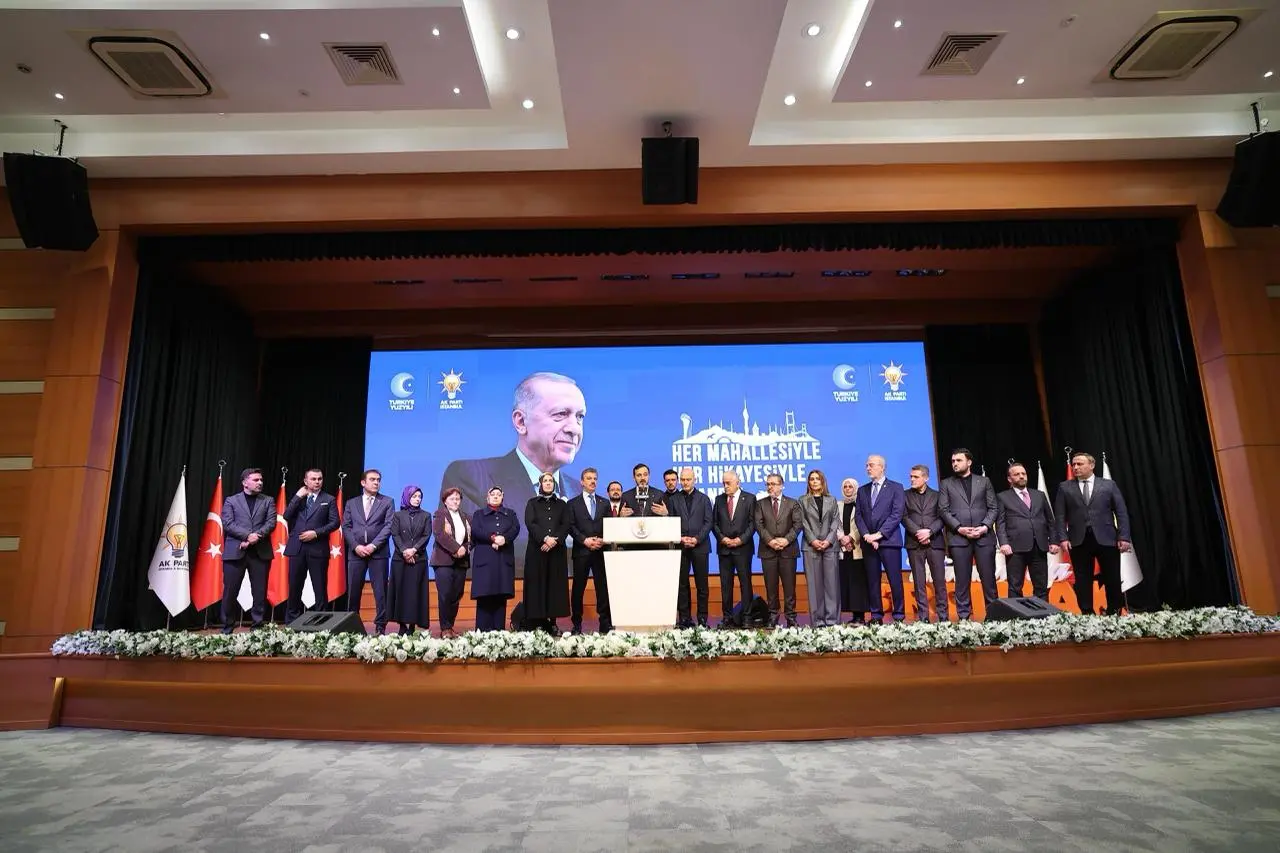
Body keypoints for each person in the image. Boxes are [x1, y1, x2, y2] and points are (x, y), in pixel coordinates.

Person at [438, 372, 585, 514]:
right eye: (561, 414)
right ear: (521, 422)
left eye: (579, 417)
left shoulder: (581, 493)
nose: (574, 428)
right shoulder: (471, 478)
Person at [1055, 452, 1132, 615]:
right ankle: (1087, 613)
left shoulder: (1108, 485)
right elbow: (1060, 516)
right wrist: (1062, 538)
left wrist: (1124, 536)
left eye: (1080, 464)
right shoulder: (1065, 487)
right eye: (1074, 464)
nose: (1075, 467)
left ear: (1091, 465)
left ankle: (1114, 611)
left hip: (1107, 537)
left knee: (1112, 576)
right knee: (1082, 579)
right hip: (1078, 539)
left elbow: (1121, 512)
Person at [938, 448, 998, 618]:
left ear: (969, 462)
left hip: (984, 537)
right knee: (962, 580)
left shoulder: (984, 481)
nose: (955, 464)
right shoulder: (946, 484)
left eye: (958, 460)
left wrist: (985, 526)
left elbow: (993, 507)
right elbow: (943, 510)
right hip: (959, 538)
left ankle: (993, 617)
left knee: (989, 579)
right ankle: (964, 617)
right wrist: (959, 528)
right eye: (953, 461)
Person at [220, 467, 276, 633]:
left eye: (261, 480)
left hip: (260, 553)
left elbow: (271, 523)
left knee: (259, 592)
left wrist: (256, 537)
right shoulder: (231, 500)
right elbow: (228, 523)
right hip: (235, 552)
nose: (260, 483)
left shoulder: (268, 500)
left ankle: (257, 628)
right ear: (245, 483)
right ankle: (227, 628)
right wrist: (247, 536)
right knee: (230, 592)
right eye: (256, 480)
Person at [283, 467, 340, 624]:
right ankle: (291, 622)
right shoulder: (299, 498)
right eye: (313, 479)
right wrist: (297, 497)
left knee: (320, 587)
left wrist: (316, 533)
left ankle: (322, 623)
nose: (317, 482)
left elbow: (335, 522)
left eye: (319, 479)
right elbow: (287, 515)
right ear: (305, 481)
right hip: (297, 548)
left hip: (318, 548)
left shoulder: (328, 499)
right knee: (294, 587)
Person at [997, 462, 1060, 602]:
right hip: (1015, 548)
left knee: (1041, 585)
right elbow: (1000, 523)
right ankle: (1016, 614)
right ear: (1009, 479)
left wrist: (1054, 541)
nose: (1021, 476)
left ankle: (1043, 614)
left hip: (1039, 546)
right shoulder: (1003, 497)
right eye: (1017, 474)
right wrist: (1003, 543)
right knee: (1015, 586)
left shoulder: (1039, 495)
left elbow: (1050, 520)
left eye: (1023, 474)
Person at [342, 469, 395, 635]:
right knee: (353, 591)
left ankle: (380, 627)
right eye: (372, 479)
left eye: (378, 480)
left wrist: (373, 546)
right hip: (356, 553)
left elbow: (389, 526)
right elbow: (346, 526)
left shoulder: (387, 501)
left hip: (378, 553)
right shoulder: (351, 503)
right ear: (363, 483)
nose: (376, 482)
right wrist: (356, 546)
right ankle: (352, 626)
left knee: (381, 592)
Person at [856, 455, 906, 623]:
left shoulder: (896, 488)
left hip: (889, 541)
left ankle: (899, 615)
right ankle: (876, 615)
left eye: (871, 465)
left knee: (895, 579)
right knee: (872, 581)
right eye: (866, 465)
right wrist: (867, 535)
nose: (868, 468)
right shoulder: (862, 490)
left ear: (882, 467)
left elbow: (896, 514)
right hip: (869, 543)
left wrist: (879, 535)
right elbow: (859, 516)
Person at [522, 472, 570, 633]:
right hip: (537, 551)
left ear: (554, 484)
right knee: (537, 585)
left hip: (556, 551)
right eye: (545, 481)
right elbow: (530, 522)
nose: (548, 483)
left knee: (554, 587)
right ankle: (538, 622)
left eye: (551, 480)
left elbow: (566, 524)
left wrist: (554, 540)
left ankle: (553, 623)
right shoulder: (532, 503)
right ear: (540, 484)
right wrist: (544, 538)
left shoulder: (562, 505)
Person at [753, 472, 802, 627]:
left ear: (781, 486)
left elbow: (798, 524)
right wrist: (770, 541)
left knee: (789, 586)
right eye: (768, 484)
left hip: (788, 550)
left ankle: (791, 616)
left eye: (773, 484)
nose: (770, 487)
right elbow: (759, 525)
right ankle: (773, 615)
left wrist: (786, 540)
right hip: (768, 551)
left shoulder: (793, 503)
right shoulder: (760, 504)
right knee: (771, 587)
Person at [567, 467, 612, 634]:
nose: (592, 481)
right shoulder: (572, 503)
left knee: (602, 588)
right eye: (589, 478)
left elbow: (609, 524)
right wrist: (584, 540)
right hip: (582, 551)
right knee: (578, 588)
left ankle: (605, 623)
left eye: (595, 478)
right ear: (582, 482)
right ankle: (577, 623)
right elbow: (570, 526)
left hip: (600, 551)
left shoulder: (604, 503)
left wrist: (602, 539)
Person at [471, 487, 520, 631]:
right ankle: (482, 633)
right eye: (493, 494)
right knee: (484, 596)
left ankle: (499, 632)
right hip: (485, 562)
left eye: (499, 494)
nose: (496, 496)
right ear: (487, 497)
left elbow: (515, 528)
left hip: (503, 561)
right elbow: (476, 530)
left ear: (502, 497)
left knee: (500, 596)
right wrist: (492, 538)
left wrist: (504, 539)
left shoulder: (510, 513)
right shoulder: (479, 514)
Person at [712, 470, 756, 628]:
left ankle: (747, 617)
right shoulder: (719, 499)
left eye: (728, 483)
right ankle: (727, 617)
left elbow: (753, 523)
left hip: (743, 549)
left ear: (737, 482)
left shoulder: (749, 498)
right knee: (726, 585)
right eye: (723, 483)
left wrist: (740, 540)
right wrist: (723, 538)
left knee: (745, 583)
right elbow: (714, 523)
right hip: (724, 549)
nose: (725, 486)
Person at [904, 464, 948, 623]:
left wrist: (929, 532)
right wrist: (919, 532)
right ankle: (923, 618)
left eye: (916, 477)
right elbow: (903, 517)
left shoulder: (937, 495)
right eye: (911, 476)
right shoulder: (904, 495)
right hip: (914, 543)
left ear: (926, 478)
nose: (912, 479)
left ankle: (943, 617)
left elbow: (942, 517)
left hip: (935, 542)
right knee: (919, 582)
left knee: (939, 581)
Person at [671, 466, 714, 628]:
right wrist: (680, 538)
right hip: (681, 546)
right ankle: (685, 618)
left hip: (700, 546)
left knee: (702, 585)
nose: (685, 482)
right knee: (682, 584)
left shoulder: (704, 499)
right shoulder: (674, 499)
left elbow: (708, 522)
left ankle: (702, 619)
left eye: (688, 479)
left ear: (694, 480)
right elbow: (671, 521)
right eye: (682, 479)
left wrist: (696, 539)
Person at [799, 469, 841, 628]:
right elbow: (803, 523)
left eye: (817, 479)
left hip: (830, 546)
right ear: (808, 482)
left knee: (832, 585)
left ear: (823, 481)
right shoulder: (802, 500)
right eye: (812, 479)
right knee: (814, 586)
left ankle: (832, 621)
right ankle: (817, 622)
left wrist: (828, 540)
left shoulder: (832, 499)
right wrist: (813, 540)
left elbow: (835, 522)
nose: (815, 481)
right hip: (811, 547)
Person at [388, 484, 431, 635]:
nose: (417, 499)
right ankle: (401, 625)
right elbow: (395, 534)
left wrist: (413, 550)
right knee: (399, 591)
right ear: (407, 497)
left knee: (415, 593)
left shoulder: (426, 515)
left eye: (419, 497)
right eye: (414, 496)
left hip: (419, 559)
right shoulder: (398, 515)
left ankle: (412, 625)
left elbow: (426, 535)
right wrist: (405, 551)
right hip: (400, 560)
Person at [431, 486, 471, 638]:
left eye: (457, 499)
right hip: (443, 561)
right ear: (445, 501)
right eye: (452, 499)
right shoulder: (440, 514)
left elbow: (471, 538)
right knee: (445, 594)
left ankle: (450, 625)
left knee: (457, 594)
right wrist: (456, 548)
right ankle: (445, 627)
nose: (455, 501)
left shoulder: (466, 517)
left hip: (461, 561)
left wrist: (464, 548)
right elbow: (439, 535)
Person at [834, 477, 869, 624]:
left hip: (858, 549)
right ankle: (852, 615)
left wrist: (851, 538)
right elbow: (835, 524)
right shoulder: (837, 505)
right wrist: (842, 539)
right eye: (845, 486)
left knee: (858, 583)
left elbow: (863, 524)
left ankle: (860, 616)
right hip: (843, 550)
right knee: (846, 582)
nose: (848, 489)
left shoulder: (862, 504)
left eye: (850, 487)